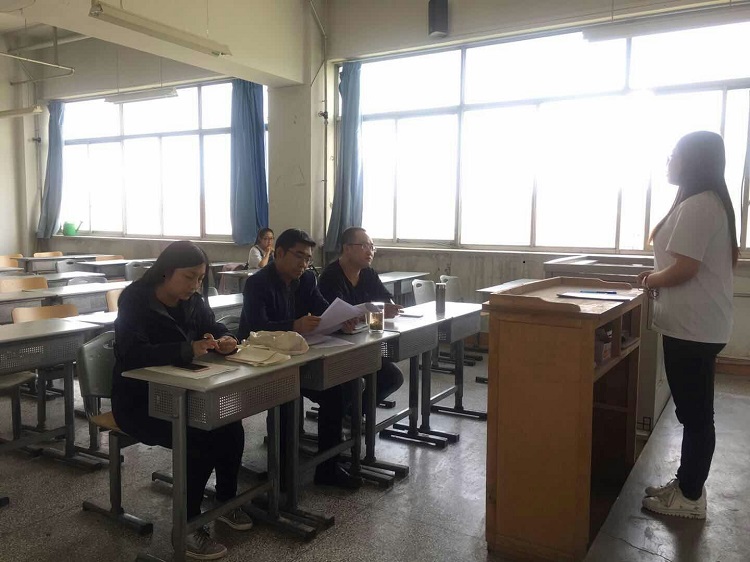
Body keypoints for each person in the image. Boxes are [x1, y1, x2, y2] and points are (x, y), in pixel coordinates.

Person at [112, 241, 253, 560]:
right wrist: (186, 349)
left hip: (186, 392)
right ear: (166, 272)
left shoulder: (194, 301)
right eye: (189, 277)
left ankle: (226, 501)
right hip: (139, 402)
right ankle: (188, 525)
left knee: (230, 424)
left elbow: (212, 327)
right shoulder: (135, 300)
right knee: (199, 437)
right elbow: (132, 355)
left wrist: (225, 339)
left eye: (200, 278)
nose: (195, 285)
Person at [638, 131, 737, 520]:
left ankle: (691, 497)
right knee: (694, 413)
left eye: (675, 154)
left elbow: (685, 268)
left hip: (694, 330)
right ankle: (686, 484)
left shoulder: (700, 204)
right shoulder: (701, 202)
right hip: (693, 327)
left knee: (695, 416)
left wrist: (650, 279)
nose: (669, 160)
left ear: (693, 160)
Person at [237, 228, 362, 490]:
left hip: (298, 358)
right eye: (299, 256)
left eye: (308, 258)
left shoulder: (306, 280)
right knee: (286, 399)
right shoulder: (258, 283)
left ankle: (327, 467)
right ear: (280, 253)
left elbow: (322, 308)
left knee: (339, 389)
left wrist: (341, 319)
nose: (304, 264)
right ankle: (282, 474)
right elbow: (256, 327)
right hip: (261, 362)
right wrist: (294, 325)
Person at [318, 226, 404, 406]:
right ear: (347, 248)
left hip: (364, 343)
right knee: (347, 388)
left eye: (372, 247)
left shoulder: (368, 273)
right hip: (337, 348)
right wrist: (371, 314)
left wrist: (386, 307)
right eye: (364, 246)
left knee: (393, 378)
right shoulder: (331, 276)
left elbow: (385, 298)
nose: (370, 251)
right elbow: (335, 317)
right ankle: (348, 412)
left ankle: (354, 413)